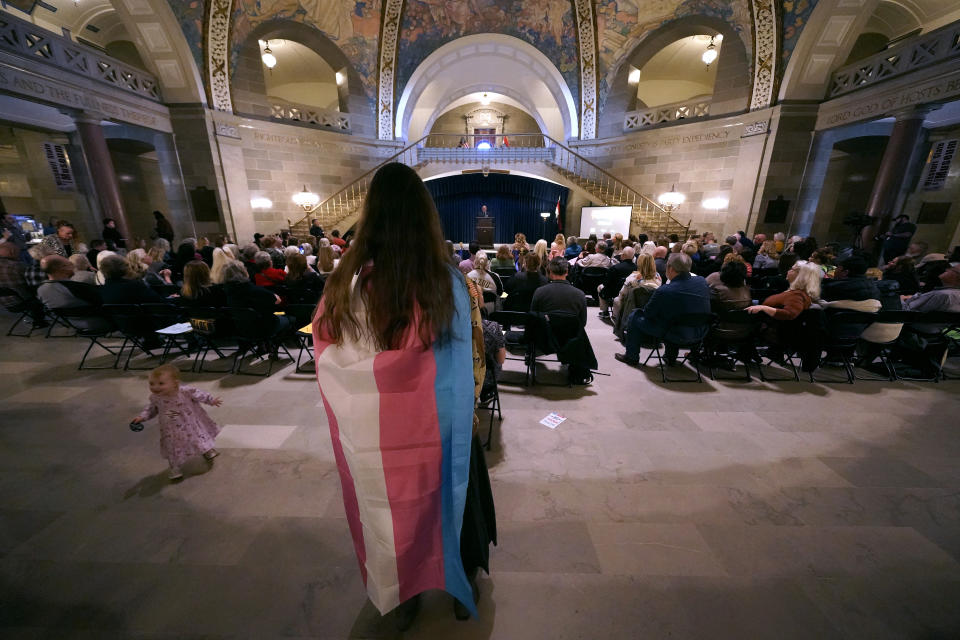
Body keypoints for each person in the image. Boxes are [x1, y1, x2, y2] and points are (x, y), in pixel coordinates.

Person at [311, 163, 494, 628]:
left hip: (372, 427)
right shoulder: (447, 281)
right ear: (425, 217)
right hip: (441, 419)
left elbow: (327, 349)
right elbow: (472, 350)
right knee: (455, 497)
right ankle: (460, 583)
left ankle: (402, 592)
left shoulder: (343, 284)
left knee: (388, 509)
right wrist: (471, 404)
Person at [130, 364, 223, 481]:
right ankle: (175, 467)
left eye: (161, 383)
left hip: (190, 421)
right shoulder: (156, 398)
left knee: (198, 437)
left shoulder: (185, 392)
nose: (155, 387)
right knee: (173, 446)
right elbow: (151, 409)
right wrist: (142, 417)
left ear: (175, 383)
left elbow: (200, 394)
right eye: (151, 383)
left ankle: (206, 450)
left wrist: (211, 400)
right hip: (170, 427)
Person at [615, 253, 710, 366]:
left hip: (673, 332)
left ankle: (631, 356)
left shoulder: (665, 291)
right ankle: (670, 357)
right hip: (700, 332)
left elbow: (648, 313)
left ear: (670, 268)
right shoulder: (702, 282)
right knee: (676, 317)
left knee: (635, 315)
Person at [36, 256, 108, 331]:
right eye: (70, 264)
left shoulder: (40, 290)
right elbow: (105, 300)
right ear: (62, 268)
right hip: (99, 323)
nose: (73, 267)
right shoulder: (75, 287)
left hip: (73, 325)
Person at [746, 260, 821, 321]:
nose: (788, 271)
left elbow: (789, 314)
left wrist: (763, 308)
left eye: (792, 269)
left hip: (765, 324)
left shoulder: (797, 295)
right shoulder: (798, 291)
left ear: (800, 276)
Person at [531, 257, 587, 327]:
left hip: (545, 335)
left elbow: (533, 318)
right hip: (570, 336)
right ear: (567, 272)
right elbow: (583, 323)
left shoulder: (540, 292)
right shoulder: (580, 294)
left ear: (550, 272)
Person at [598, 245, 636, 317]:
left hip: (614, 292)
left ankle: (605, 311)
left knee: (600, 287)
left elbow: (606, 283)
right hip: (631, 293)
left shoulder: (615, 267)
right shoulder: (637, 268)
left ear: (623, 255)